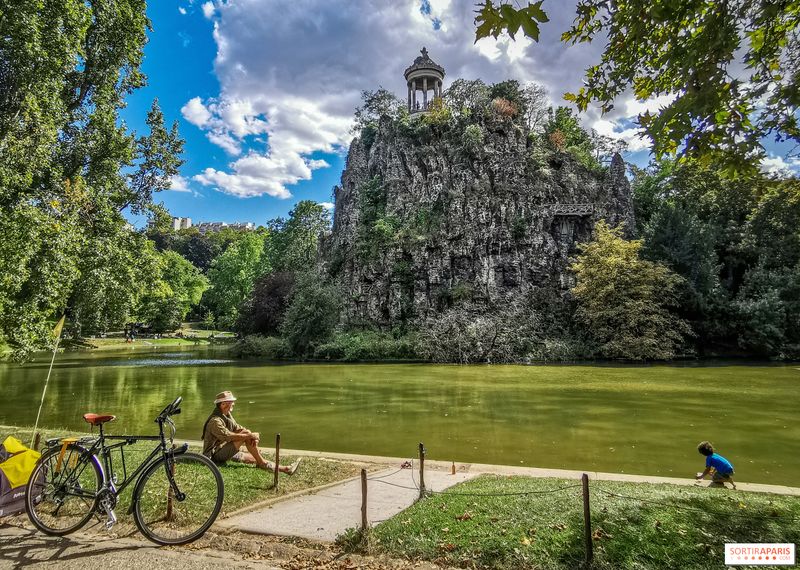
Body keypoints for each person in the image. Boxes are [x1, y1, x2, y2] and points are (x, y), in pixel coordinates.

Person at [202, 391, 300, 475]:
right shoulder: (215, 421)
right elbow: (228, 436)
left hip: (222, 449)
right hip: (213, 456)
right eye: (231, 402)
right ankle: (262, 464)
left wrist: (250, 435)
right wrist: (249, 436)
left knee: (255, 456)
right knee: (248, 438)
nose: (233, 404)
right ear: (223, 404)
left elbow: (238, 428)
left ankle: (285, 469)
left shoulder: (226, 415)